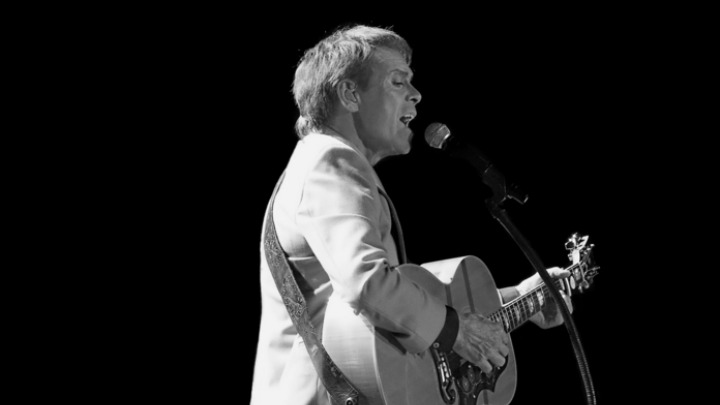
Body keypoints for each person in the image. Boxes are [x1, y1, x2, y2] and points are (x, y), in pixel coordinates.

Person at [250, 25, 573, 405]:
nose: (416, 95)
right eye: (398, 81)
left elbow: (384, 320)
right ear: (350, 94)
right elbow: (367, 284)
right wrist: (456, 331)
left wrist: (520, 298)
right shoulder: (331, 162)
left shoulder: (321, 163)